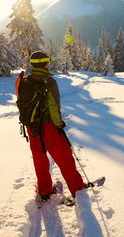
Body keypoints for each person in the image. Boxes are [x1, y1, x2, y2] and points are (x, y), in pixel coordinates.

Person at [26, 51, 86, 204]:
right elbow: (53, 107)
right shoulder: (49, 82)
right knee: (65, 158)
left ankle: (44, 191)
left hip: (31, 128)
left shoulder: (25, 81)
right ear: (45, 63)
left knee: (40, 160)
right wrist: (59, 124)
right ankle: (77, 189)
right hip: (49, 127)